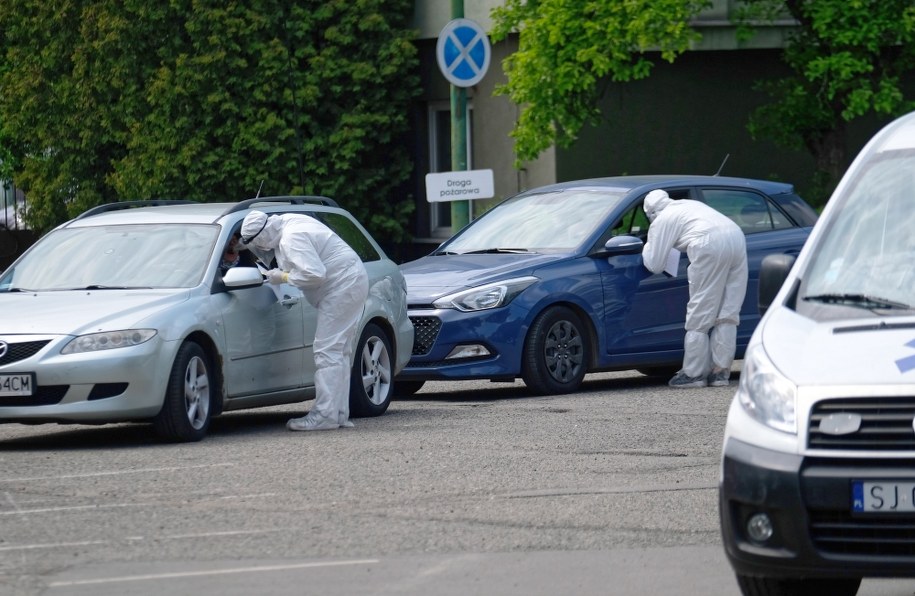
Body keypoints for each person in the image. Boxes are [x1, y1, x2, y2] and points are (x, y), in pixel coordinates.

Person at [239, 210, 369, 431]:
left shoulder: (291, 238)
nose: (257, 248)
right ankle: (338, 414)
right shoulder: (287, 221)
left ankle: (324, 415)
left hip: (342, 286)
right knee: (339, 351)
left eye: (254, 243)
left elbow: (315, 274)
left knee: (327, 350)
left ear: (260, 236)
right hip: (350, 281)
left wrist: (283, 277)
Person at [641, 189, 748, 388]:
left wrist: (647, 244)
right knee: (728, 311)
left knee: (700, 310)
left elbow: (654, 264)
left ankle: (693, 374)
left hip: (708, 243)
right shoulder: (687, 206)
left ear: (650, 213)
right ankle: (720, 373)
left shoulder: (661, 220)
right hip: (736, 237)